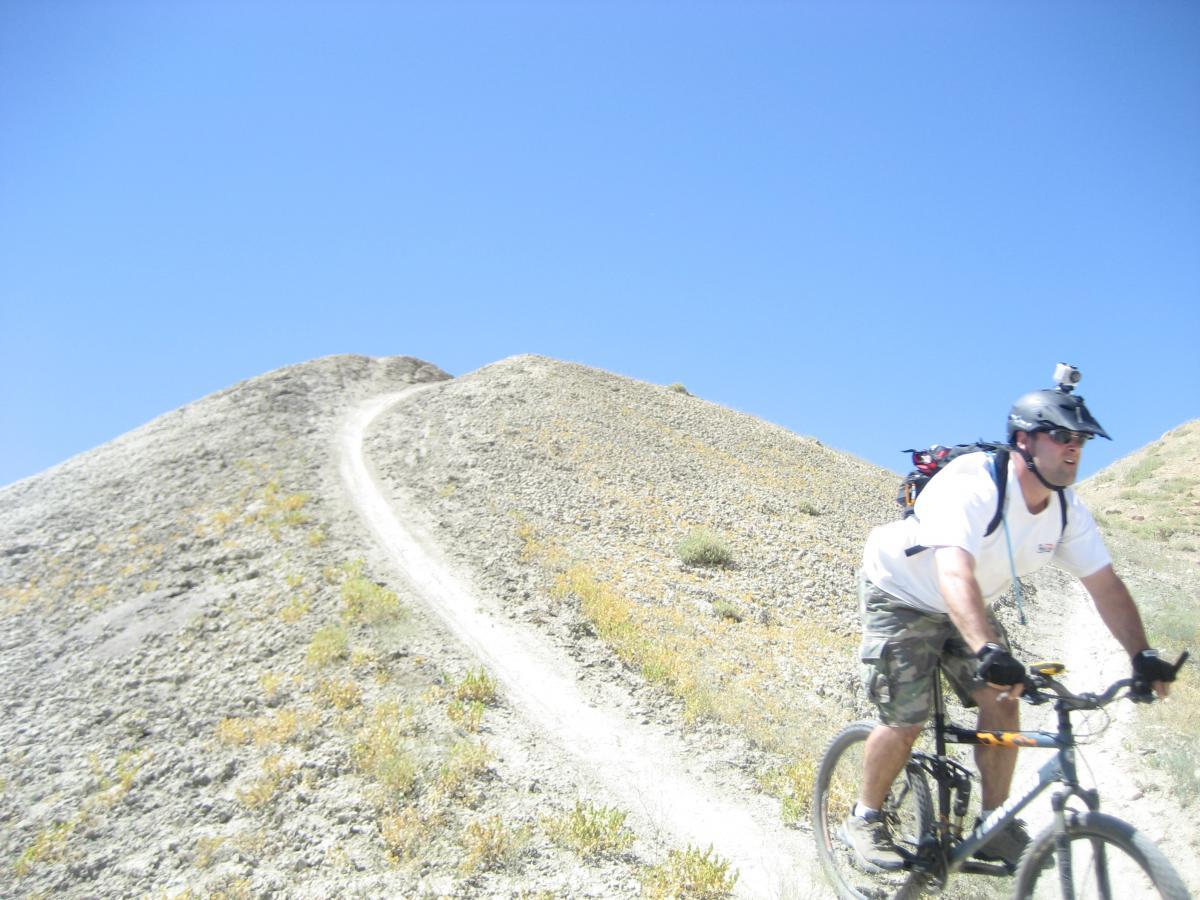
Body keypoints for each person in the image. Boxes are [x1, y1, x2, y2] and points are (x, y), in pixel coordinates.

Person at [844, 366, 1179, 873]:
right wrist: (987, 650)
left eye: (1082, 440)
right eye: (1062, 436)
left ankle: (991, 825)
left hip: (964, 599)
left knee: (1004, 701)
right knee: (906, 716)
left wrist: (1142, 655)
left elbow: (1105, 586)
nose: (1075, 448)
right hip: (903, 592)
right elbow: (952, 569)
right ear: (1024, 440)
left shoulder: (1066, 511)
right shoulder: (972, 484)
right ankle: (864, 817)